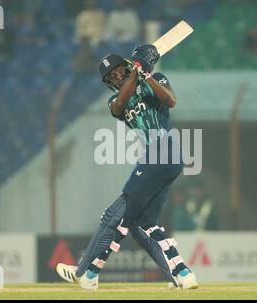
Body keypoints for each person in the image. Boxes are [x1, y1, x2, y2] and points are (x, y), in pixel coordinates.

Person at [56, 44, 198, 290]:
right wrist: (135, 74)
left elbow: (171, 100)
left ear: (127, 66)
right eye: (111, 77)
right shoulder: (115, 101)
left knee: (114, 215)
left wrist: (145, 75)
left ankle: (87, 272)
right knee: (143, 224)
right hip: (157, 160)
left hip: (164, 151)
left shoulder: (156, 79)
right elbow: (120, 105)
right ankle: (182, 274)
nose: (116, 77)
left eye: (118, 71)